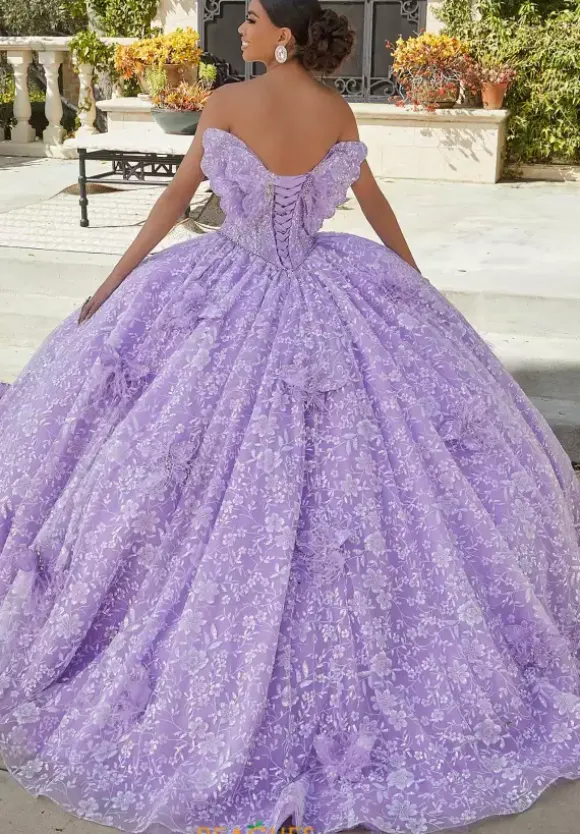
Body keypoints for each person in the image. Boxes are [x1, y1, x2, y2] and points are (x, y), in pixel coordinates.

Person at [1, 1, 580, 833]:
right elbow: (376, 207)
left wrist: (113, 283)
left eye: (250, 18)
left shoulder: (229, 102)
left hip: (230, 287)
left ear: (281, 36)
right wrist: (414, 285)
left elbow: (173, 204)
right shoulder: (336, 110)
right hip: (325, 285)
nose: (237, 30)